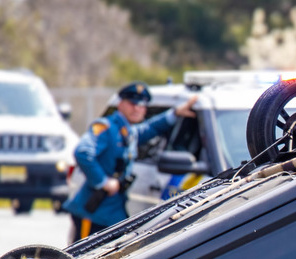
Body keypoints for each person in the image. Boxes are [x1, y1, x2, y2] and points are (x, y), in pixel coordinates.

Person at [63, 81, 197, 242]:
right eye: (132, 104)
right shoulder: (106, 127)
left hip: (113, 213)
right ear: (120, 104)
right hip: (93, 212)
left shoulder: (128, 130)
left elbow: (151, 128)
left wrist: (175, 113)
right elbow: (83, 153)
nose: (137, 109)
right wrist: (103, 181)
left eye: (142, 106)